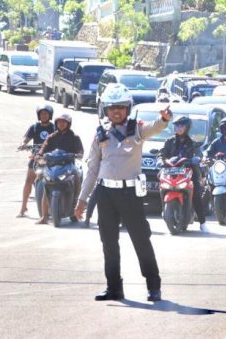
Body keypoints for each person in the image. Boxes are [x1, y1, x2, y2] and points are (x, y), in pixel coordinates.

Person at [74, 83, 172, 302]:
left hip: (130, 194)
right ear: (105, 110)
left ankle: (153, 286)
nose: (116, 111)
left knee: (141, 240)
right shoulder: (100, 134)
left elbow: (154, 128)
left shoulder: (136, 129)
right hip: (105, 194)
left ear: (128, 108)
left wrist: (164, 119)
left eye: (120, 107)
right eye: (111, 107)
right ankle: (114, 288)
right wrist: (82, 200)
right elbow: (92, 170)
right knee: (108, 242)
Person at [159, 116, 209, 233]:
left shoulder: (192, 143)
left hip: (188, 172)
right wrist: (161, 161)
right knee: (161, 187)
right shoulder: (169, 141)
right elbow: (162, 154)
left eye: (181, 126)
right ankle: (164, 210)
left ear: (187, 127)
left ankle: (202, 223)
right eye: (176, 125)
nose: (178, 128)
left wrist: (196, 159)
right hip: (170, 172)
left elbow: (199, 154)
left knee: (196, 193)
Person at [36, 112, 84, 225]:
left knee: (77, 176)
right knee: (45, 186)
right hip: (52, 166)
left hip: (69, 166)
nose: (61, 124)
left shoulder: (74, 137)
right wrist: (39, 155)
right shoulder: (52, 136)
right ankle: (44, 217)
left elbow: (80, 151)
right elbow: (43, 148)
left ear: (68, 124)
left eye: (64, 122)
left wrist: (78, 155)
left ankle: (76, 208)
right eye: (59, 122)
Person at [17, 104, 56, 218]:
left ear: (50, 115)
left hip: (50, 158)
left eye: (46, 114)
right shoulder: (34, 127)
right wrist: (23, 144)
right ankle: (23, 207)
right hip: (36, 157)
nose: (44, 116)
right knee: (28, 180)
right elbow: (26, 138)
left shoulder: (54, 128)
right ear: (38, 115)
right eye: (42, 114)